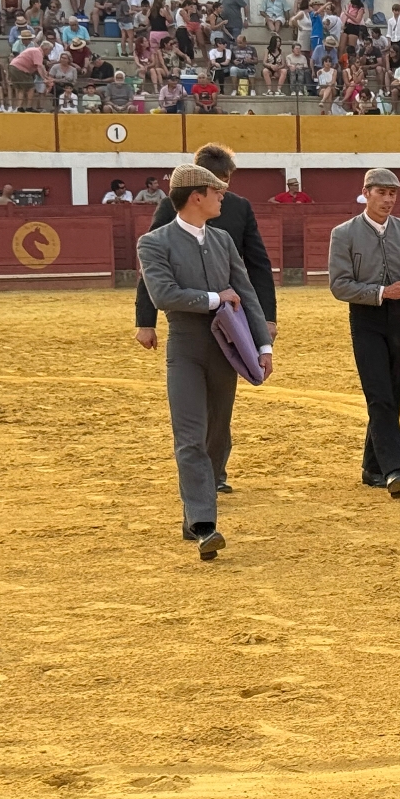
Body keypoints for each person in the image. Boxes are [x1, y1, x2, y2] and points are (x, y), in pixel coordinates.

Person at [135, 163, 272, 561]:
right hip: (187, 348)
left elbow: (246, 293)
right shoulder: (154, 243)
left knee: (217, 435)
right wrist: (215, 298)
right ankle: (205, 525)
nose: (222, 196)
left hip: (226, 349)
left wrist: (263, 346)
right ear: (196, 196)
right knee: (190, 436)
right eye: (216, 192)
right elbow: (163, 295)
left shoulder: (224, 240)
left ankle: (194, 513)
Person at [135, 144, 279, 385]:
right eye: (219, 181)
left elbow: (257, 266)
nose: (222, 190)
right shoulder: (174, 207)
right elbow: (152, 269)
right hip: (186, 314)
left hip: (230, 310)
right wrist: (145, 321)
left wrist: (267, 317)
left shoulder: (239, 207)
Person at [328, 168, 400, 498]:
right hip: (366, 315)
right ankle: (393, 468)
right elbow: (339, 285)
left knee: (393, 392)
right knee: (379, 393)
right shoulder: (343, 233)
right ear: (366, 193)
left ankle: (372, 466)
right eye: (382, 193)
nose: (388, 200)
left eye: (393, 194)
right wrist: (383, 292)